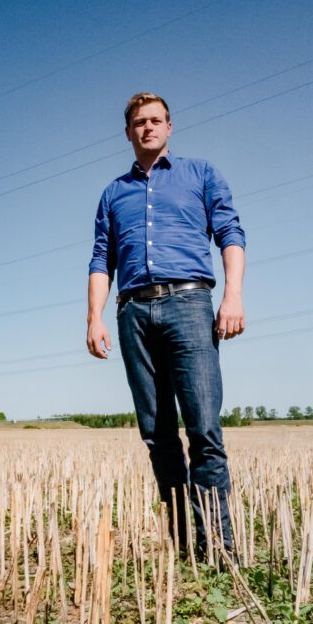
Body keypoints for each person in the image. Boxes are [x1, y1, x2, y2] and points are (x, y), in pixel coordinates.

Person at [86, 92, 246, 562]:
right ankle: (183, 546)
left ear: (170, 128)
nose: (148, 128)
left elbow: (231, 234)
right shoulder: (113, 193)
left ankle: (218, 550)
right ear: (128, 131)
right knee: (158, 435)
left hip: (190, 304)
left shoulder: (201, 174)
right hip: (133, 311)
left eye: (156, 120)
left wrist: (232, 296)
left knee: (203, 431)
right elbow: (101, 259)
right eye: (139, 122)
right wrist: (93, 317)